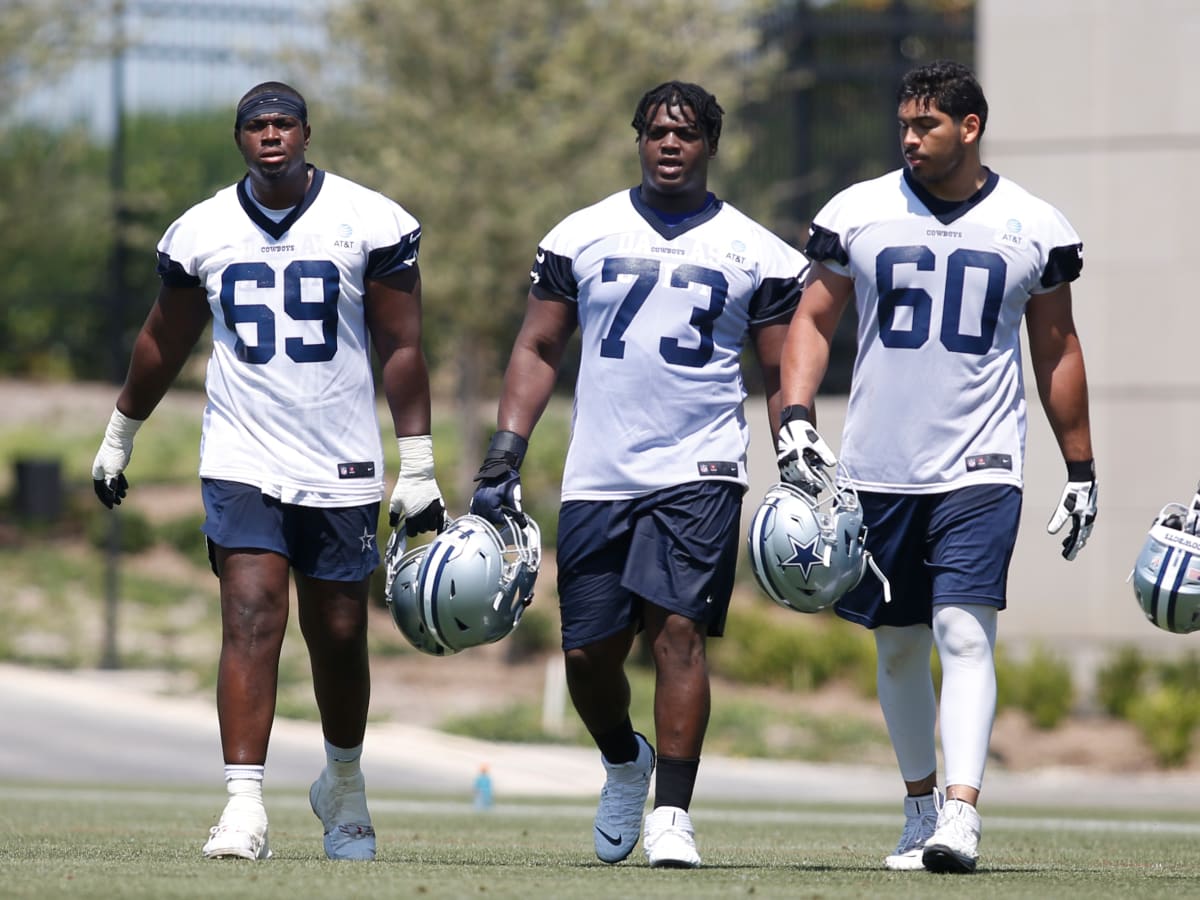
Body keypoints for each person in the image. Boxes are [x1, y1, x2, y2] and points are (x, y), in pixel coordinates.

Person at [90, 81, 446, 862]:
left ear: (308, 134)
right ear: (240, 139)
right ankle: (243, 806)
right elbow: (162, 340)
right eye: (258, 125)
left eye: (285, 123)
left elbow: (404, 345)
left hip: (341, 455)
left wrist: (417, 462)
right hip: (242, 456)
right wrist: (120, 434)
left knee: (341, 632)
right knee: (251, 616)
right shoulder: (204, 229)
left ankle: (343, 783)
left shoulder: (369, 219)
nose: (272, 135)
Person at [470, 81, 806, 869]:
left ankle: (673, 815)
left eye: (686, 133)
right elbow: (539, 348)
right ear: (638, 138)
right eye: (656, 131)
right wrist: (504, 454)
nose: (669, 143)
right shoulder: (582, 233)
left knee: (678, 635)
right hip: (600, 472)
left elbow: (781, 366)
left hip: (702, 467)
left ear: (710, 145)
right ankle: (625, 760)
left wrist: (797, 451)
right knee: (588, 654)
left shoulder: (758, 250)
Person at [777, 60, 1097, 874]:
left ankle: (962, 815)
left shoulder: (1032, 223)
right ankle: (919, 808)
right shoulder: (859, 211)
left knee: (963, 628)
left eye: (927, 126)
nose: (910, 140)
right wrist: (795, 420)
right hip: (877, 466)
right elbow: (813, 320)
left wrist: (1082, 467)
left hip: (982, 463)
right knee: (895, 647)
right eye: (904, 127)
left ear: (970, 127)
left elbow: (1056, 347)